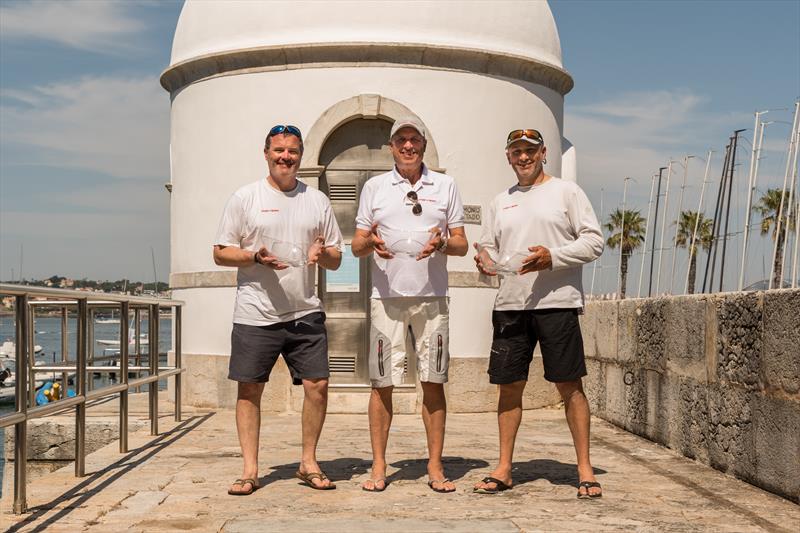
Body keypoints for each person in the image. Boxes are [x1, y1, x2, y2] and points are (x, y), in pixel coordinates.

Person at [472, 128, 604, 499]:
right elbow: (486, 245)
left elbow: (594, 241)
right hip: (511, 307)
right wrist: (483, 260)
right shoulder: (501, 201)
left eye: (530, 151)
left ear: (544, 153)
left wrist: (552, 257)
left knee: (569, 385)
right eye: (516, 151)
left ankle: (584, 468)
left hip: (557, 303)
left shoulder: (567, 192)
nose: (524, 157)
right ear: (508, 156)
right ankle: (503, 467)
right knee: (508, 387)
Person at [213, 125, 344, 495]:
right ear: (266, 153)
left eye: (292, 151)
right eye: (279, 150)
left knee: (318, 386)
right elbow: (220, 251)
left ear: (301, 155)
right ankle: (250, 470)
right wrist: (254, 256)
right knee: (249, 390)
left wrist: (323, 255)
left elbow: (335, 256)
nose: (285, 157)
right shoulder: (245, 198)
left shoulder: (316, 200)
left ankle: (308, 462)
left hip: (305, 311)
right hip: (256, 313)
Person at [351, 116, 468, 493]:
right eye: (401, 140)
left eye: (414, 139)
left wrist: (443, 244)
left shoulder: (446, 185)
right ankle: (380, 466)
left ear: (423, 145)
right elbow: (356, 244)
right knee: (381, 383)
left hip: (433, 298)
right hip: (385, 300)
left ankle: (435, 466)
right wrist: (371, 244)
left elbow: (462, 243)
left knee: (433, 382)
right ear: (391, 146)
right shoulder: (375, 187)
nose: (408, 146)